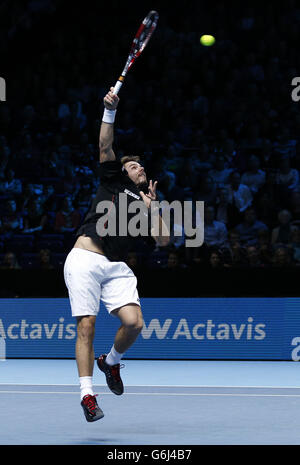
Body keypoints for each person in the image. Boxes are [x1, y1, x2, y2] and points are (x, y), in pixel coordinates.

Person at [64, 87, 170, 422]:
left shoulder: (147, 204)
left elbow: (165, 242)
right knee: (87, 326)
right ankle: (87, 396)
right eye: (135, 165)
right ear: (124, 172)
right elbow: (105, 146)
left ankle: (109, 362)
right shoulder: (111, 181)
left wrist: (154, 210)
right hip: (84, 258)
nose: (141, 169)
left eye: (142, 166)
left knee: (135, 323)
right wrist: (109, 111)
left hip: (116, 268)